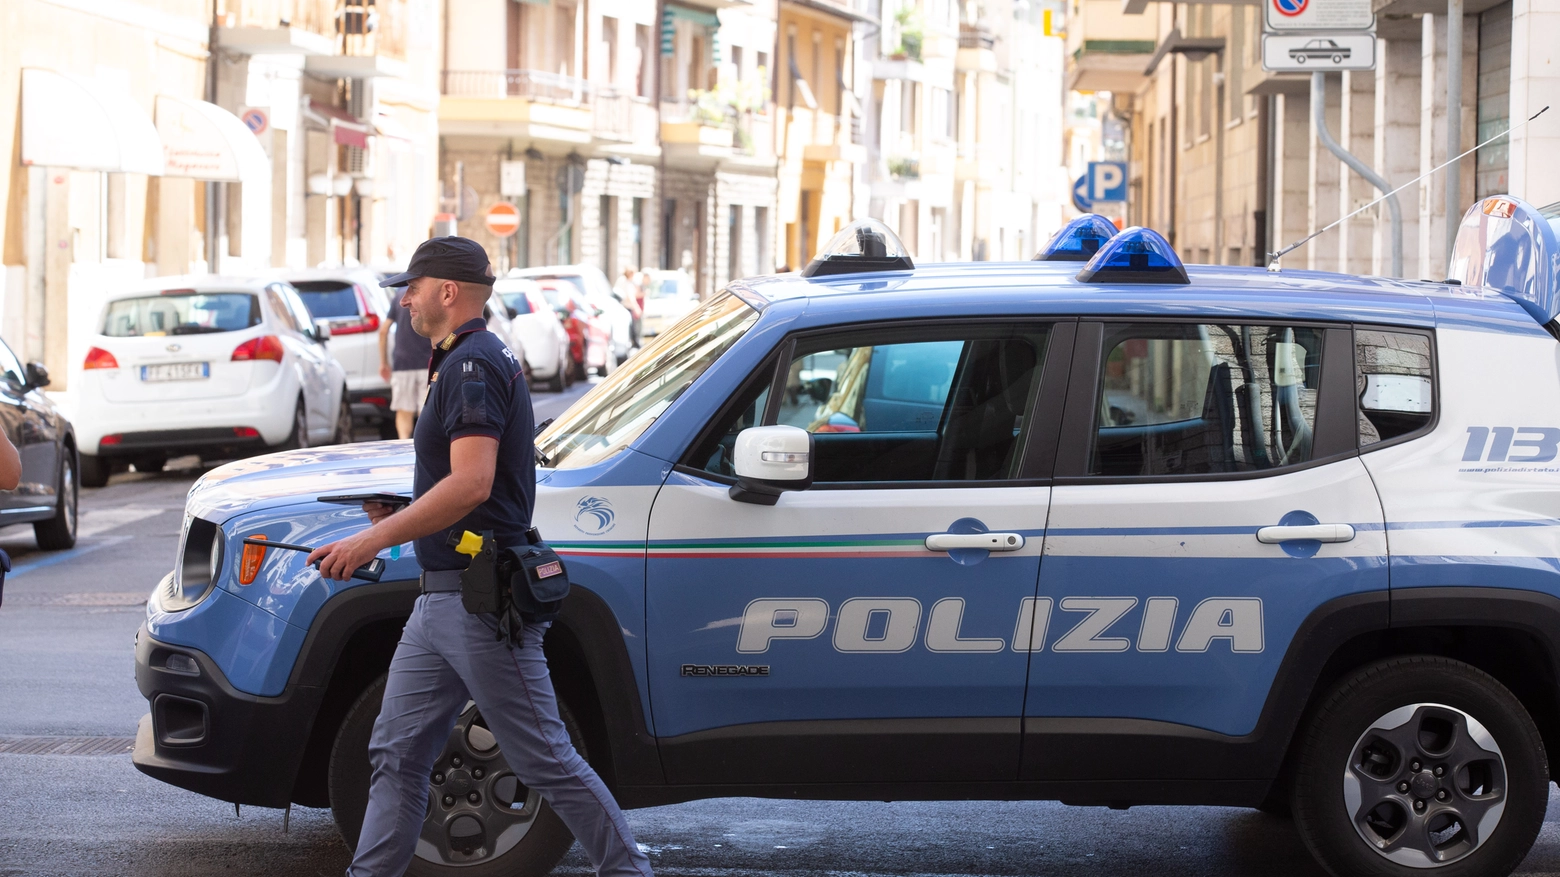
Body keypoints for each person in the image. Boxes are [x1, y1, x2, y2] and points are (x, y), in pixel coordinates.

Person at [310, 237, 654, 877]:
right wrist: (405, 514)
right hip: (443, 597)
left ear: (447, 292)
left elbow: (473, 482)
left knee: (544, 757)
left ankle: (629, 869)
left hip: (479, 603)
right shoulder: (460, 360)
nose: (405, 300)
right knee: (396, 752)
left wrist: (370, 541)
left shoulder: (472, 366)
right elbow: (463, 485)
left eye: (412, 287)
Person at [379, 286, 432, 439]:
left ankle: (404, 443)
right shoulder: (428, 294)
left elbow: (384, 330)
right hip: (428, 363)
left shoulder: (399, 297)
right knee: (426, 410)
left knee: (403, 411)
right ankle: (425, 445)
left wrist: (384, 362)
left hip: (402, 363)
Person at [613, 267, 643, 348]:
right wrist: (636, 308)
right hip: (625, 308)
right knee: (631, 327)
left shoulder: (627, 281)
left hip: (625, 307)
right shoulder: (624, 281)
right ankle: (633, 343)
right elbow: (630, 296)